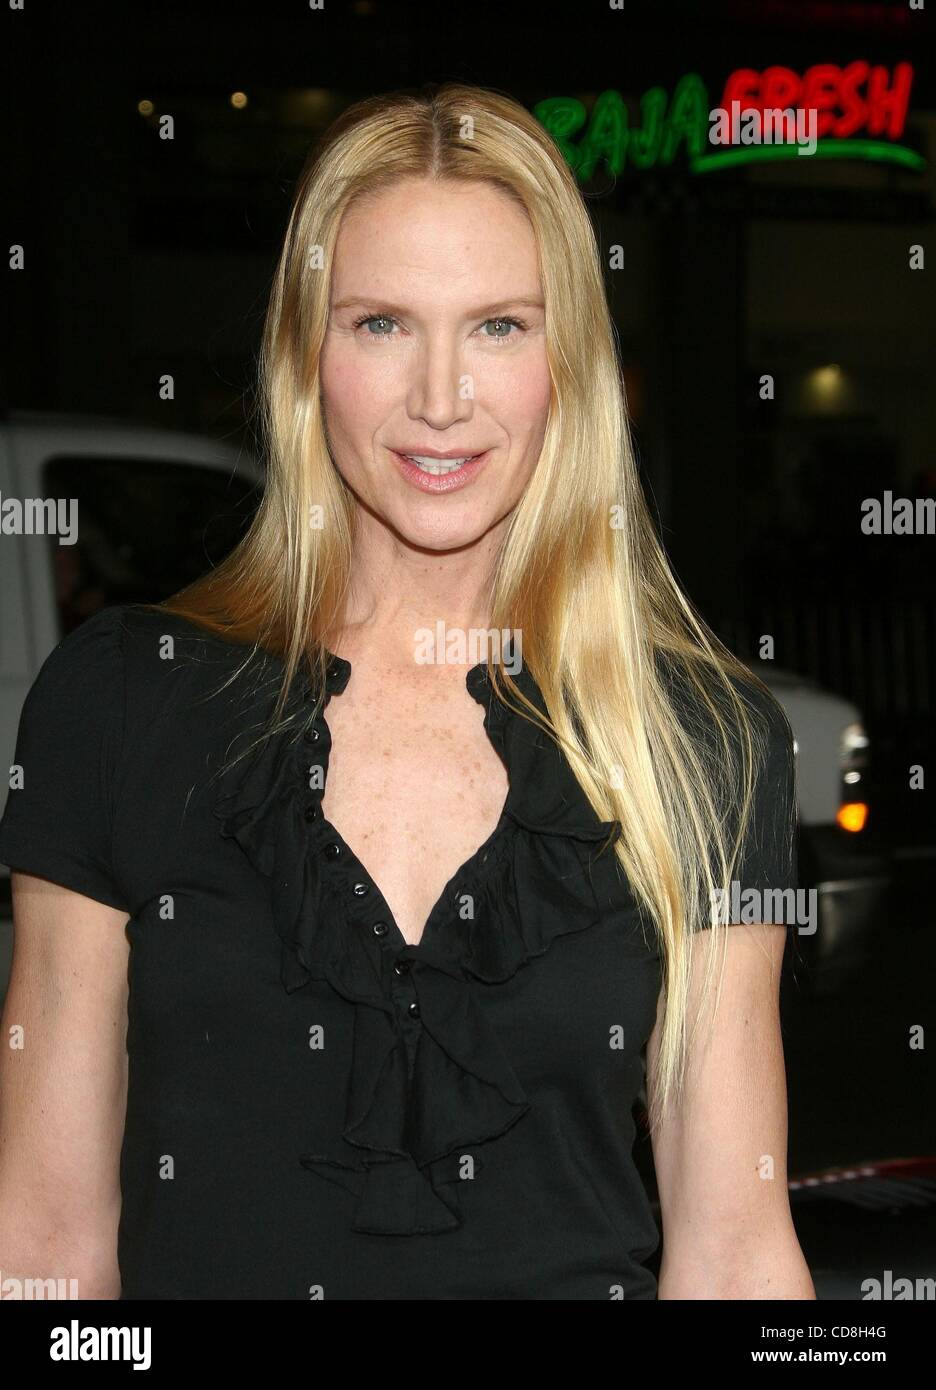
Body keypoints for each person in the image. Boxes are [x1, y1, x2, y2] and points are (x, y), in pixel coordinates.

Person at [0, 82, 813, 1300]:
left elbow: (735, 1250)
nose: (443, 397)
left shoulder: (699, 739)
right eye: (382, 323)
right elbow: (46, 1250)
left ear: (570, 365)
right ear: (303, 352)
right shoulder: (122, 701)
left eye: (500, 326)